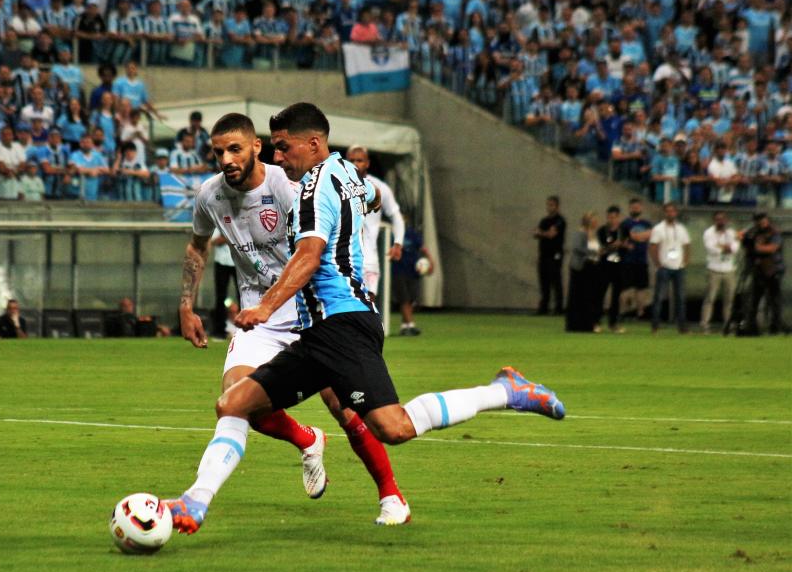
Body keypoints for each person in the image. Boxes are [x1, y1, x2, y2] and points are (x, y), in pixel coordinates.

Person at [166, 103, 565, 535]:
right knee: (233, 403)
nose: (277, 159)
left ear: (311, 144)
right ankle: (195, 502)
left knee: (392, 426)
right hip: (314, 327)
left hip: (341, 321)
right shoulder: (342, 171)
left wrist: (265, 305)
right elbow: (370, 196)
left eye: (281, 148)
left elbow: (309, 254)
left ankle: (503, 391)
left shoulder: (309, 189)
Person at [177, 112, 412, 525]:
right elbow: (197, 246)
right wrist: (186, 305)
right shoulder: (210, 195)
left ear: (256, 147)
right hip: (258, 314)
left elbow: (333, 222)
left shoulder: (289, 186)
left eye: (235, 149)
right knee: (234, 400)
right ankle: (305, 439)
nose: (226, 159)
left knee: (343, 404)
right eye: (218, 152)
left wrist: (369, 198)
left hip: (306, 306)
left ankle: (391, 494)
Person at [346, 145, 405, 298]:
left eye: (359, 160)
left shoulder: (380, 187)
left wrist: (398, 243)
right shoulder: (336, 185)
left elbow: (395, 215)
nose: (355, 164)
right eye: (351, 160)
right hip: (340, 257)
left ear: (367, 163)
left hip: (367, 259)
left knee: (367, 306)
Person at [649, 202, 691, 333]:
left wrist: (685, 261)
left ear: (676, 213)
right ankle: (655, 326)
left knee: (680, 298)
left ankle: (682, 327)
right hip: (664, 267)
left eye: (672, 211)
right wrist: (658, 264)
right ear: (664, 213)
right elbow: (653, 246)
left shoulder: (681, 228)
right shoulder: (658, 229)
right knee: (659, 297)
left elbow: (687, 245)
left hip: (678, 267)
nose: (670, 213)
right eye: (668, 211)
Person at [741, 213, 785, 335]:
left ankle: (775, 327)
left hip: (773, 270)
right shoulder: (755, 233)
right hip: (759, 270)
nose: (761, 224)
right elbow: (744, 242)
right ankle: (752, 327)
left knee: (774, 300)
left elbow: (772, 248)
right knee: (755, 300)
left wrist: (756, 248)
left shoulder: (774, 233)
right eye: (759, 221)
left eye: (763, 221)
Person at [700, 211, 740, 334]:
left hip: (729, 269)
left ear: (726, 220)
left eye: (722, 219)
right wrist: (725, 248)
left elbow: (735, 248)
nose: (720, 221)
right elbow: (711, 248)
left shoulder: (731, 233)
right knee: (710, 298)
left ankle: (728, 324)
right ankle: (705, 324)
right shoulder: (709, 232)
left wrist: (722, 247)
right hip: (714, 269)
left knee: (729, 299)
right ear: (714, 220)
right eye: (718, 219)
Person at [392, 220, 433, 336]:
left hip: (413, 272)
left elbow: (423, 249)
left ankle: (405, 326)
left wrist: (431, 262)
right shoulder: (392, 234)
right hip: (398, 271)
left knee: (411, 300)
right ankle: (411, 324)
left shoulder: (412, 234)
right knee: (404, 299)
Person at [565, 211, 601, 333]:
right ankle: (575, 324)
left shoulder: (595, 235)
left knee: (589, 297)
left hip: (591, 268)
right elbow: (577, 248)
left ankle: (587, 323)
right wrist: (593, 253)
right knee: (578, 296)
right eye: (593, 220)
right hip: (581, 268)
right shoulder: (580, 233)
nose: (596, 222)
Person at [620, 198, 653, 320]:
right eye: (633, 207)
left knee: (641, 288)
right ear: (630, 208)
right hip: (628, 261)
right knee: (626, 288)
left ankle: (640, 312)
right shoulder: (625, 224)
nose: (636, 209)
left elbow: (649, 235)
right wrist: (639, 237)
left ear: (641, 208)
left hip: (642, 260)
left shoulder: (646, 223)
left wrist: (636, 236)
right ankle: (623, 312)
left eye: (638, 207)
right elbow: (623, 240)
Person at [596, 205, 627, 333]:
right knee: (600, 294)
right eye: (609, 217)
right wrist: (614, 246)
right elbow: (601, 250)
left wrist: (624, 246)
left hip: (618, 266)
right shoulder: (602, 231)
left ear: (618, 217)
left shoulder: (623, 230)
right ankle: (596, 321)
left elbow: (627, 246)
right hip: (604, 266)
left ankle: (613, 323)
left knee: (616, 296)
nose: (611, 220)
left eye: (614, 217)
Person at [533, 195, 565, 315]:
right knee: (544, 282)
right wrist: (543, 233)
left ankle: (558, 308)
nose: (549, 207)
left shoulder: (560, 221)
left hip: (555, 255)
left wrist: (542, 233)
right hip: (544, 254)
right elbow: (535, 233)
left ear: (557, 206)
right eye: (548, 205)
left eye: (551, 205)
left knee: (556, 282)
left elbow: (551, 234)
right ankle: (543, 307)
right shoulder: (544, 220)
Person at [209, 228, 237, 340]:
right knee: (220, 297)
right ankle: (219, 331)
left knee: (243, 295)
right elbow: (214, 241)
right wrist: (230, 236)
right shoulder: (219, 223)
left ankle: (245, 331)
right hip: (221, 262)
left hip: (238, 262)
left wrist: (227, 236)